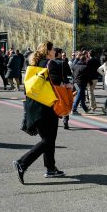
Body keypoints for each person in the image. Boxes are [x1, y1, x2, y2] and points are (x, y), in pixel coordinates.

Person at [13, 41, 67, 184]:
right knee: (48, 140)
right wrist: (67, 86)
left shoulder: (33, 65)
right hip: (47, 106)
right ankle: (22, 163)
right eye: (53, 48)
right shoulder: (51, 64)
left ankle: (50, 168)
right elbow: (57, 84)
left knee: (48, 139)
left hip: (33, 105)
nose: (55, 51)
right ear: (48, 51)